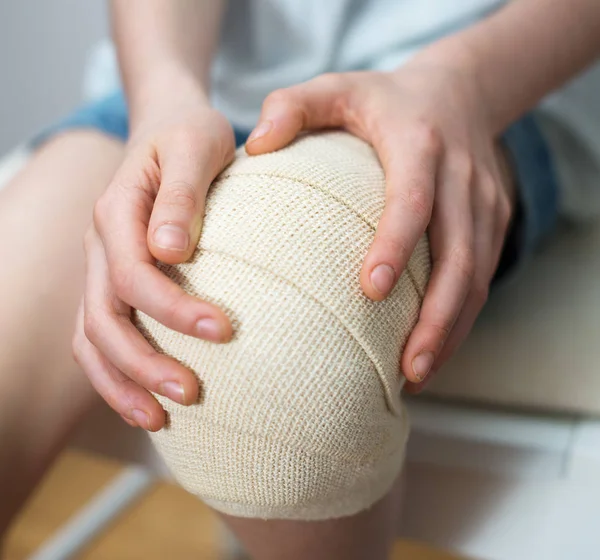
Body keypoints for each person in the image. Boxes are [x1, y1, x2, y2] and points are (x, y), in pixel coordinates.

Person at [1, 0, 599, 557]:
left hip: (490, 80)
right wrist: (163, 96)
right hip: (207, 77)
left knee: (279, 377)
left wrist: (467, 80)